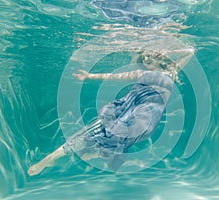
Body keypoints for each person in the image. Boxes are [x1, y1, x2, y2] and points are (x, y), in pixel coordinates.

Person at [28, 53, 176, 176]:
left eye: (149, 55)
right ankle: (50, 158)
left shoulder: (172, 72)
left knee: (119, 141)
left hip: (145, 120)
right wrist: (89, 76)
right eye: (143, 57)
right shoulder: (142, 73)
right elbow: (114, 76)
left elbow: (189, 52)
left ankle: (96, 153)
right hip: (125, 113)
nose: (146, 59)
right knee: (91, 134)